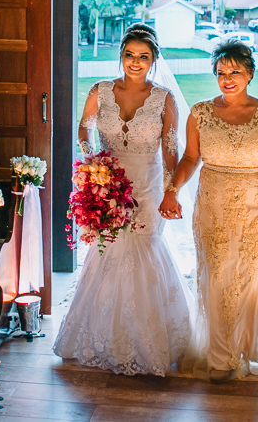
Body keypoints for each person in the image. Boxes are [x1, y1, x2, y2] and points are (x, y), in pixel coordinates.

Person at [53, 23, 191, 376]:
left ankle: (148, 341)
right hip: (108, 181)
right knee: (108, 253)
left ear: (153, 60)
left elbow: (170, 149)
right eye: (129, 55)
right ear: (121, 56)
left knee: (144, 252)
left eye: (143, 57)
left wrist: (171, 191)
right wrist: (92, 160)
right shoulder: (100, 91)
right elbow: (84, 127)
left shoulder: (164, 98)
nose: (135, 62)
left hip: (148, 186)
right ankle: (103, 337)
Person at [165, 40, 258, 382]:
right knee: (217, 277)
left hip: (255, 205)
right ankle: (220, 355)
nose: (227, 79)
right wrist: (172, 191)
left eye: (235, 72)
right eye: (221, 73)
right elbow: (191, 158)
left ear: (250, 73)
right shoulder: (201, 113)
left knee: (252, 277)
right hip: (213, 206)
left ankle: (248, 348)